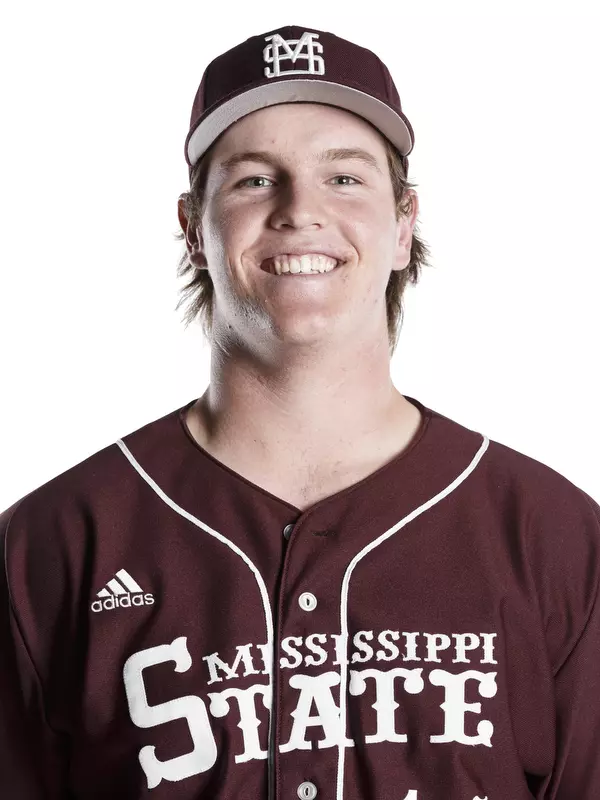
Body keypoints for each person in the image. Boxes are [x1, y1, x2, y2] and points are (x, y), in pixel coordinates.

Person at [1, 23, 599, 800]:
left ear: (404, 223)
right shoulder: (54, 543)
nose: (299, 211)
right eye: (254, 179)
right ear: (192, 228)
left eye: (344, 178)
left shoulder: (551, 536)